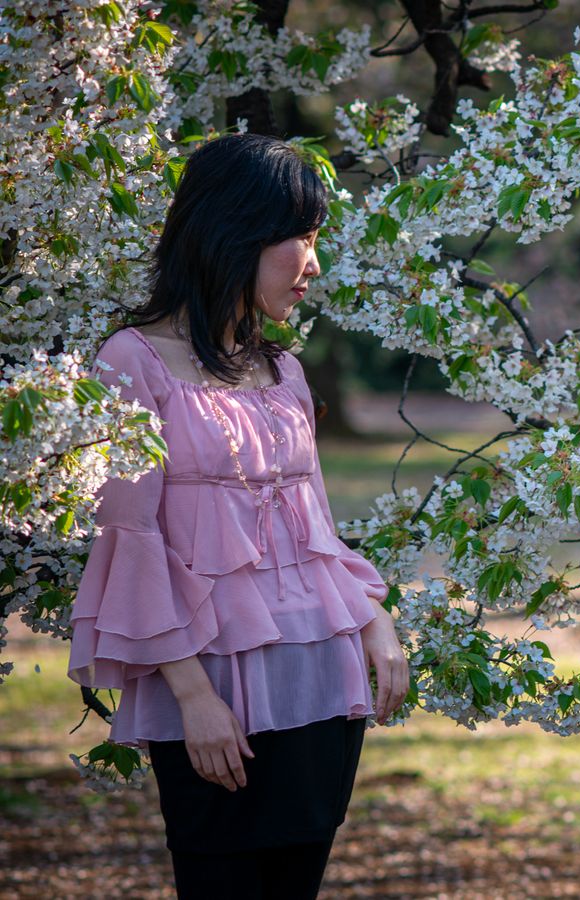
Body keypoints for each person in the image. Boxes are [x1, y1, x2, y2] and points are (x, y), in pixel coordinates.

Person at [67, 133, 410, 899]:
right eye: (303, 239)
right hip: (212, 691)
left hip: (322, 677)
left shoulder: (284, 371)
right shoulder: (131, 362)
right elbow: (131, 541)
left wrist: (376, 619)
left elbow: (316, 529)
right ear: (237, 232)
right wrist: (193, 698)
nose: (314, 265)